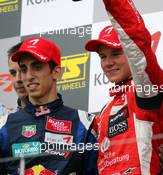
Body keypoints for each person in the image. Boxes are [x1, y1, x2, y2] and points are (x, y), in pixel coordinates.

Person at [85, 0, 163, 174]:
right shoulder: (103, 113)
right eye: (103, 56)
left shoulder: (146, 90)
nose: (108, 63)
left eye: (116, 54)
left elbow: (138, 45)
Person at [0, 37, 98, 175]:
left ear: (56, 72)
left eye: (37, 67)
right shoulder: (4, 126)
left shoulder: (84, 123)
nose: (28, 76)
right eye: (24, 69)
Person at [0, 42, 27, 117]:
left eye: (23, 71)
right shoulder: (4, 121)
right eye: (13, 73)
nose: (18, 79)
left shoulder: (58, 120)